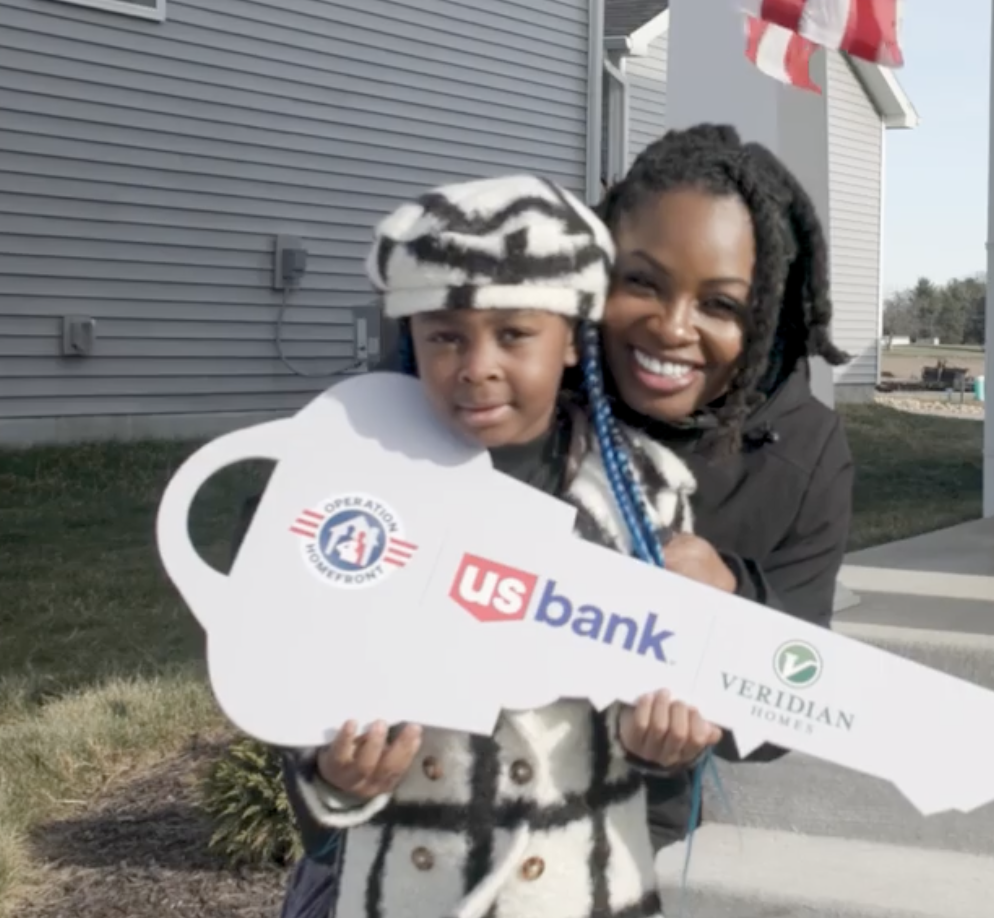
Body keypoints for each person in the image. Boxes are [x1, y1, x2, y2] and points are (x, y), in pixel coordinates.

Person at [242, 174, 729, 918]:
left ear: (573, 338)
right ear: (410, 337)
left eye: (513, 334)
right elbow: (301, 681)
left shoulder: (649, 491)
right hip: (409, 885)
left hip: (585, 885)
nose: (477, 365)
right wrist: (336, 774)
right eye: (445, 336)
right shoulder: (354, 488)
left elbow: (674, 694)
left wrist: (659, 738)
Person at [591, 124, 857, 851]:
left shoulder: (803, 450)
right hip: (424, 819)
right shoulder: (526, 381)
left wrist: (733, 599)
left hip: (623, 838)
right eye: (640, 280)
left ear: (767, 314)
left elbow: (784, 711)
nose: (672, 327)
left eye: (721, 305)